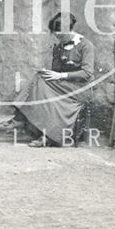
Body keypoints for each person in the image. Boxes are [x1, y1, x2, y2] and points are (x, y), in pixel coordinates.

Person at [13, 12, 94, 147]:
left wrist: (62, 75)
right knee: (40, 77)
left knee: (42, 85)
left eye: (61, 35)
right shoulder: (59, 48)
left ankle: (21, 117)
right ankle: (40, 130)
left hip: (81, 88)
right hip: (64, 85)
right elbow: (55, 72)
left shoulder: (85, 45)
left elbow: (87, 73)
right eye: (56, 35)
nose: (59, 38)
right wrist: (49, 72)